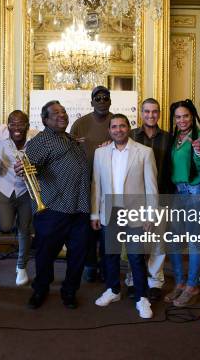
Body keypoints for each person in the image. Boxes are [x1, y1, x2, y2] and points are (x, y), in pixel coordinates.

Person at [18, 100, 90, 309]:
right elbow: (29, 167)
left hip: (80, 208)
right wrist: (23, 168)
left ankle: (69, 291)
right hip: (52, 209)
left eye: (64, 112)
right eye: (55, 113)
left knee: (78, 254)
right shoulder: (42, 141)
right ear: (45, 120)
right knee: (45, 254)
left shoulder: (71, 139)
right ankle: (40, 289)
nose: (62, 115)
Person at [90, 114, 158, 318]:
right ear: (109, 130)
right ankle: (113, 290)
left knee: (136, 257)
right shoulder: (100, 153)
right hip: (110, 211)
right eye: (114, 127)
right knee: (109, 255)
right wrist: (95, 213)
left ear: (128, 128)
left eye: (122, 126)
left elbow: (151, 187)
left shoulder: (145, 152)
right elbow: (96, 185)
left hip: (136, 212)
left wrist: (150, 214)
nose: (118, 130)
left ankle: (142, 298)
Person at [164, 99, 200, 307]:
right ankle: (180, 282)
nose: (182, 120)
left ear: (192, 117)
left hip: (194, 191)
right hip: (179, 191)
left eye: (186, 116)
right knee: (173, 240)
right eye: (178, 117)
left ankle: (192, 285)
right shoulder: (175, 138)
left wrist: (199, 153)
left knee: (193, 241)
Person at [129, 98, 171, 301]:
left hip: (161, 195)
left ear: (159, 114)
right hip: (135, 198)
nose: (150, 115)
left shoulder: (169, 138)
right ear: (141, 113)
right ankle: (133, 279)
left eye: (154, 112)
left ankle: (155, 281)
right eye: (146, 112)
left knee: (157, 242)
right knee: (134, 242)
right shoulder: (129, 136)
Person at [70, 85, 113, 283]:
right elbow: (69, 150)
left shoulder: (117, 122)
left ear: (110, 101)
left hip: (110, 183)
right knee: (87, 227)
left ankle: (106, 265)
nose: (102, 102)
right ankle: (90, 265)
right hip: (84, 183)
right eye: (98, 98)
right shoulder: (79, 124)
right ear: (91, 102)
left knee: (107, 226)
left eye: (105, 98)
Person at [0, 110, 38, 286]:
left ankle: (21, 267)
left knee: (24, 229)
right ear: (7, 125)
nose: (16, 128)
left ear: (27, 125)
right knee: (5, 226)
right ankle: (10, 220)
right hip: (5, 187)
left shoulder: (36, 137)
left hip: (25, 189)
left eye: (21, 124)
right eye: (12, 124)